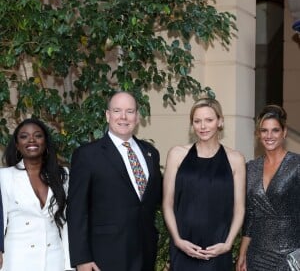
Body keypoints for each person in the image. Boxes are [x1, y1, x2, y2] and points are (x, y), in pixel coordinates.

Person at [66, 91, 162, 271]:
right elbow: (76, 210)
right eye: (117, 111)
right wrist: (82, 259)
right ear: (108, 115)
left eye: (130, 111)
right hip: (105, 256)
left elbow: (155, 200)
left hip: (145, 252)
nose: (123, 117)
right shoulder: (87, 155)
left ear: (137, 116)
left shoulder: (150, 153)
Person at [163, 97, 246, 271]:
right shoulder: (177, 154)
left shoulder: (235, 159)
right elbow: (167, 204)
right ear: (192, 124)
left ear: (220, 121)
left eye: (209, 120)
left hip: (218, 250)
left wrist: (228, 244)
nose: (203, 126)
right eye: (197, 121)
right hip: (183, 248)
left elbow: (239, 209)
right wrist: (178, 241)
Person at [0, 118, 72, 270]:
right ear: (17, 145)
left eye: (38, 135)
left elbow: (66, 223)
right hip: (17, 259)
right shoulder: (4, 176)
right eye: (24, 136)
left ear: (45, 142)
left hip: (54, 259)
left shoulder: (62, 176)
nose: (31, 139)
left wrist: (69, 265)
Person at [236, 105, 300, 271]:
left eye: (275, 130)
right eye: (264, 131)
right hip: (257, 254)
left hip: (290, 254)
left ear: (284, 132)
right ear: (258, 134)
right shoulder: (250, 168)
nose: (269, 136)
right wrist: (242, 253)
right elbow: (250, 214)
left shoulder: (297, 164)